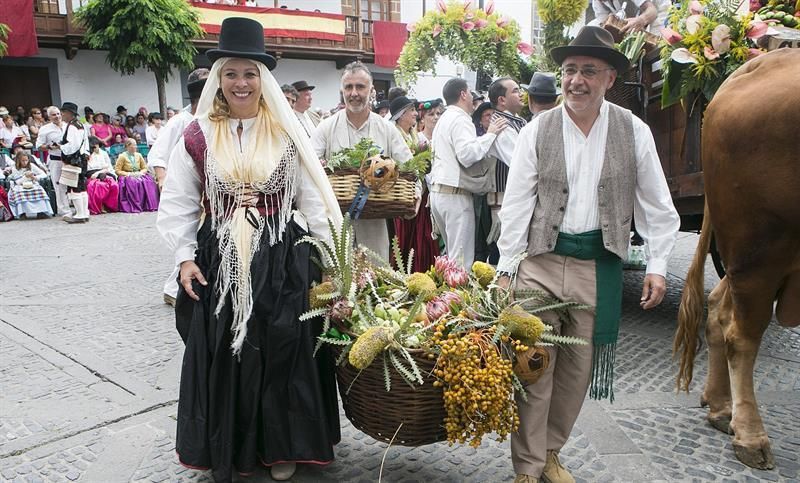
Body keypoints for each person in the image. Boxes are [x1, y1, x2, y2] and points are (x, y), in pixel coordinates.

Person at [157, 17, 342, 482]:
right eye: (232, 73)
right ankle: (234, 443)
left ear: (264, 80)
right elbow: (178, 200)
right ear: (219, 78)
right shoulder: (196, 135)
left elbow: (313, 198)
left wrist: (334, 261)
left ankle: (282, 445)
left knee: (283, 347)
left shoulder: (288, 132)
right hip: (220, 258)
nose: (241, 83)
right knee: (228, 352)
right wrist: (183, 256)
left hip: (281, 257)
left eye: (250, 73)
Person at [496, 26, 680, 483]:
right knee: (534, 367)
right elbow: (517, 201)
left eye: (588, 71)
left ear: (610, 78)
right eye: (569, 70)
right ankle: (527, 467)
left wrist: (657, 264)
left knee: (576, 376)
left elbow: (657, 202)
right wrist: (506, 267)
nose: (576, 80)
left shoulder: (632, 130)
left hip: (596, 268)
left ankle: (551, 452)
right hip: (538, 263)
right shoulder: (538, 129)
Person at [311, 61, 414, 261]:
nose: (354, 93)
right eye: (348, 87)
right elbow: (309, 166)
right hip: (336, 221)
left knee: (377, 280)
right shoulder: (326, 127)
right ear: (342, 90)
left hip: (376, 221)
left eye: (360, 86)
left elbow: (410, 168)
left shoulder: (387, 129)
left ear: (371, 90)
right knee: (338, 280)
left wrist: (414, 196)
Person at [148, 66, 209, 307]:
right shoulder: (180, 121)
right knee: (184, 235)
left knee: (195, 240)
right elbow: (157, 155)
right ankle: (173, 288)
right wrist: (163, 180)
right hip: (182, 189)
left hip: (202, 192)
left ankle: (175, 286)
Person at [429, 77, 506, 269]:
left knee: (451, 260)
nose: (472, 97)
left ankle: (447, 297)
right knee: (460, 263)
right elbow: (467, 155)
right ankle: (454, 299)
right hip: (454, 195)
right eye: (470, 93)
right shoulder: (460, 118)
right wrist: (491, 135)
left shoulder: (444, 118)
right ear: (463, 94)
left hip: (440, 193)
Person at [391, 96, 440, 273]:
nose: (414, 114)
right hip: (402, 194)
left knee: (423, 236)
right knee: (405, 238)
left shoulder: (413, 134)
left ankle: (423, 272)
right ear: (401, 114)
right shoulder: (394, 133)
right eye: (411, 110)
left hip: (421, 193)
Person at [484, 77, 528, 264]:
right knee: (504, 245)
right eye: (516, 91)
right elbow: (520, 161)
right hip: (504, 197)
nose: (521, 95)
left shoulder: (517, 121)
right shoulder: (501, 124)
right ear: (502, 100)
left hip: (515, 196)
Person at [36, 106, 72, 216]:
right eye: (53, 115)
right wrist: (50, 147)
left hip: (70, 160)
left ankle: (75, 207)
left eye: (58, 114)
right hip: (55, 160)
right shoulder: (45, 129)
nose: (57, 116)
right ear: (49, 116)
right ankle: (64, 210)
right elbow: (38, 146)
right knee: (59, 186)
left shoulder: (68, 126)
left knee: (72, 185)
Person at [59, 102, 91, 223]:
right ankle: (84, 212)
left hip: (75, 160)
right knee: (81, 186)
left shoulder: (72, 126)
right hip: (82, 158)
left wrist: (61, 147)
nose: (62, 115)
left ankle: (80, 214)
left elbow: (73, 145)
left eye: (63, 113)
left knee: (74, 186)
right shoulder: (80, 124)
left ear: (69, 113)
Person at [115, 138, 159, 213]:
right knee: (133, 183)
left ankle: (148, 204)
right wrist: (129, 174)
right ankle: (135, 205)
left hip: (138, 173)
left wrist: (141, 173)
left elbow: (144, 167)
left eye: (135, 145)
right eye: (133, 146)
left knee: (148, 181)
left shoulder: (139, 155)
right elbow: (117, 170)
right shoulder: (122, 156)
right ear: (128, 146)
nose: (135, 147)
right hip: (127, 175)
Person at [6, 150, 53, 219]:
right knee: (19, 193)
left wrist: (34, 177)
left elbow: (43, 174)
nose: (25, 162)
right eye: (23, 161)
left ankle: (41, 211)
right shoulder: (14, 168)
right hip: (20, 185)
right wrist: (26, 177)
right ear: (19, 160)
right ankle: (22, 213)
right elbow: (17, 181)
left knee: (39, 190)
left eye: (26, 160)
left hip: (32, 183)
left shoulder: (31, 166)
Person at [592, 0, 669, 34]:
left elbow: (652, 11)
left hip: (659, 14)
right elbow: (604, 25)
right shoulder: (596, 2)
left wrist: (641, 20)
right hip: (636, 22)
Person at [86, 138, 119, 215]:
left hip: (104, 172)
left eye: (97, 146)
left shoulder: (104, 153)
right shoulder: (87, 155)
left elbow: (108, 167)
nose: (96, 148)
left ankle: (109, 206)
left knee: (113, 184)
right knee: (97, 185)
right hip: (91, 174)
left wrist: (101, 172)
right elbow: (88, 169)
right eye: (93, 147)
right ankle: (100, 206)